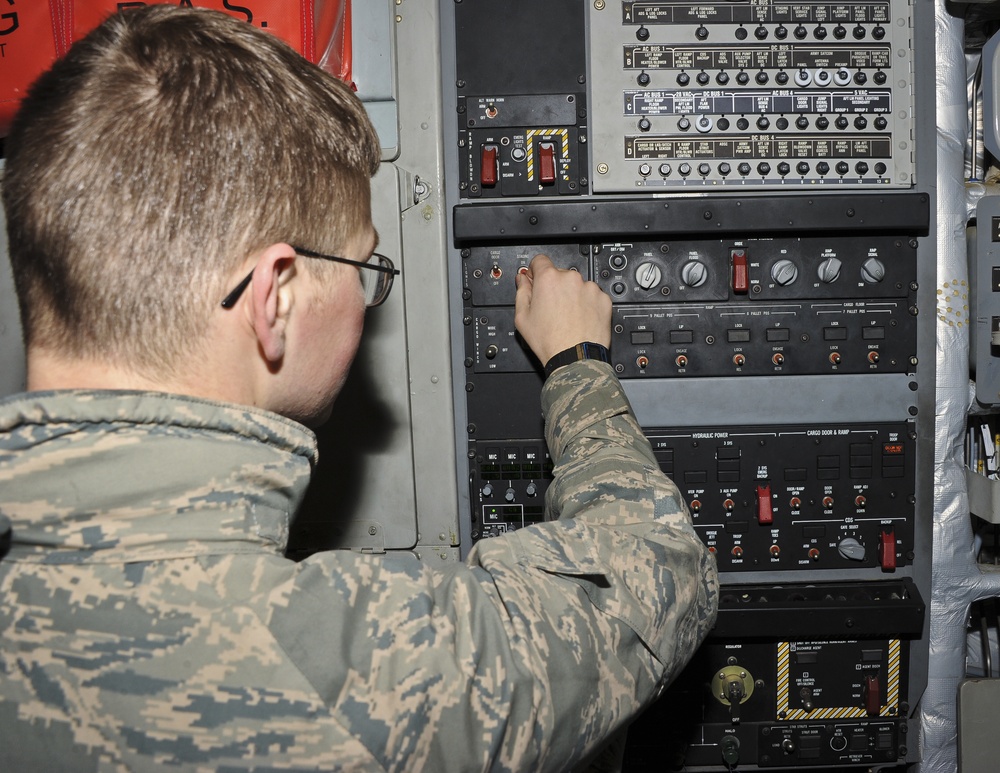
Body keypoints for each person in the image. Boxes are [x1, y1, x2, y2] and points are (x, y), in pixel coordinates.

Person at [0, 6, 718, 772]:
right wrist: (577, 361)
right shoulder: (368, 672)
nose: (367, 299)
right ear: (275, 296)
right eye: (364, 267)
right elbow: (661, 565)